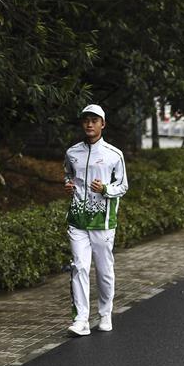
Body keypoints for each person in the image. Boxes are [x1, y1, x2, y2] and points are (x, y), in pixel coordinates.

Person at [63, 104, 129, 336]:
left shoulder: (114, 154)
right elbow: (68, 175)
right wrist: (68, 185)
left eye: (94, 120)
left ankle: (105, 314)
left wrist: (105, 189)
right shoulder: (72, 153)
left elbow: (123, 186)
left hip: (103, 221)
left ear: (103, 124)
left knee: (104, 270)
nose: (89, 124)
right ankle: (81, 320)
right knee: (79, 266)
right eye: (86, 120)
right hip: (77, 220)